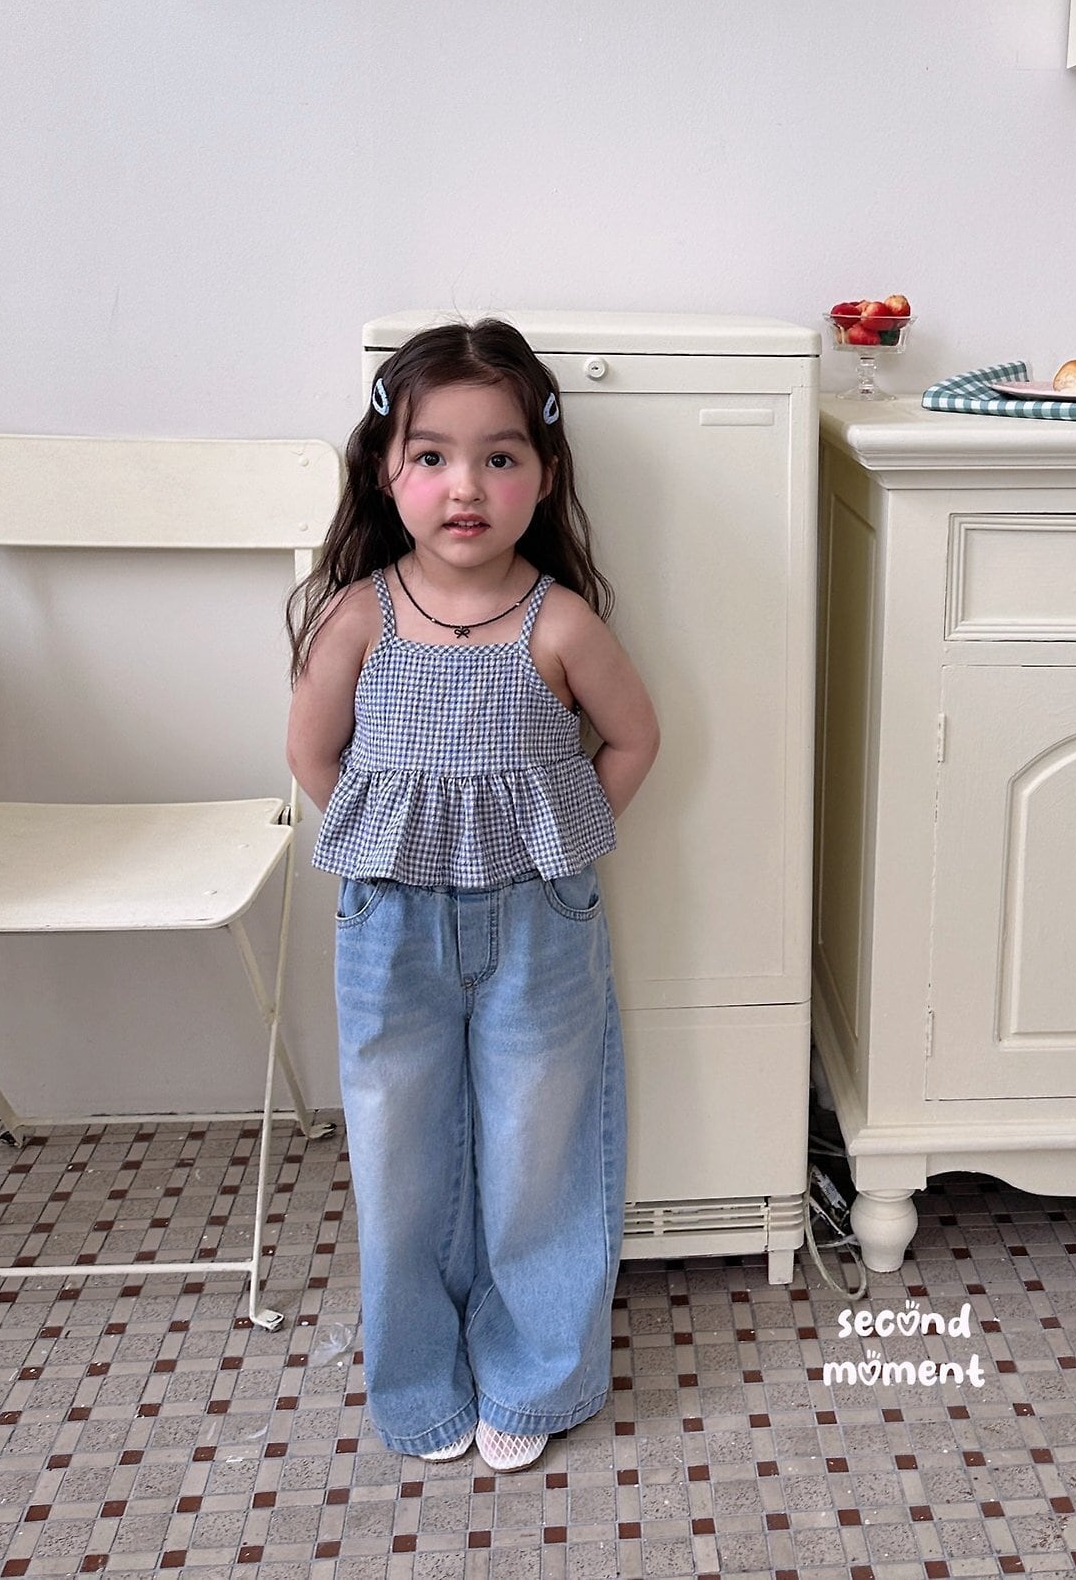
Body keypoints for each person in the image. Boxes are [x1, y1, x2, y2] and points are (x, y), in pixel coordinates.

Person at [285, 318, 659, 1471]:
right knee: (400, 1150)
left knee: (538, 1144)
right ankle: (413, 1375)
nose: (465, 486)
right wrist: (392, 837)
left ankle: (536, 1373)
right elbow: (312, 755)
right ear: (384, 471)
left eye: (499, 456)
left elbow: (633, 738)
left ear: (541, 476)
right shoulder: (357, 615)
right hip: (389, 921)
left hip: (538, 919)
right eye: (432, 455)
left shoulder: (559, 619)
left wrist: (554, 836)